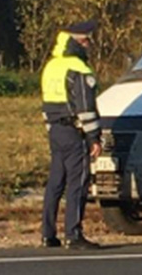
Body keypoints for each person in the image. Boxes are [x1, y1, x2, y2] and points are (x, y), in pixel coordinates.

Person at [40, 20, 103, 250]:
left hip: (55, 130)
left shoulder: (51, 66)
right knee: (78, 181)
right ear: (77, 42)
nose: (89, 45)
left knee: (55, 182)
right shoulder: (78, 69)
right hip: (74, 131)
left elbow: (46, 102)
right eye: (86, 41)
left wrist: (50, 128)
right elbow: (85, 107)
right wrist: (93, 138)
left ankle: (48, 234)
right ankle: (73, 234)